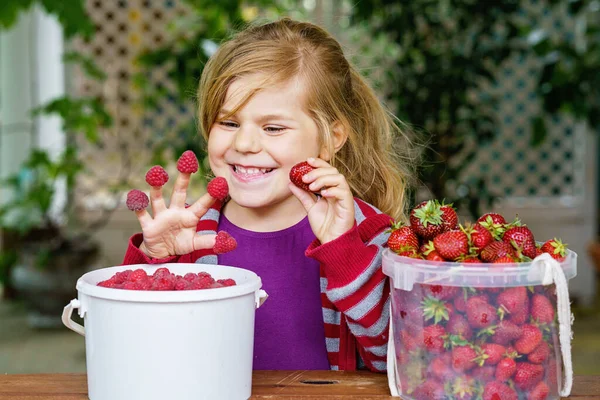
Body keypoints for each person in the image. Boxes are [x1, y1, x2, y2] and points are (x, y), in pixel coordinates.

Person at [122, 18, 419, 372]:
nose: (244, 144)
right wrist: (155, 262)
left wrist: (346, 253)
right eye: (229, 123)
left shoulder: (368, 233)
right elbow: (131, 351)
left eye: (273, 128)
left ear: (331, 138)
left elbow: (402, 362)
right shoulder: (188, 237)